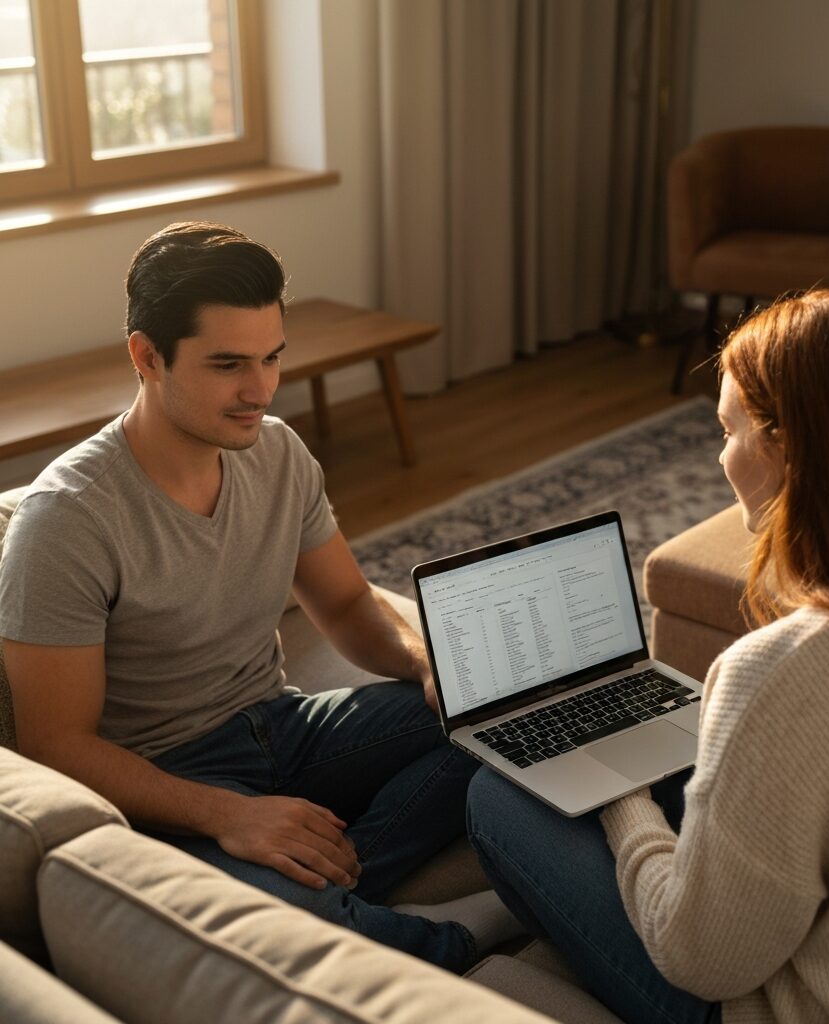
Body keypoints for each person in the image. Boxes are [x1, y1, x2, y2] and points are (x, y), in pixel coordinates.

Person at [466, 289, 829, 1023]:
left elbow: (702, 961)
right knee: (687, 771)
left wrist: (619, 793)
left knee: (497, 797)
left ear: (785, 447)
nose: (721, 454)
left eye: (729, 429)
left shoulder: (780, 670)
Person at [0, 221, 521, 973]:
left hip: (283, 724)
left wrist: (425, 666)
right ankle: (458, 931)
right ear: (147, 357)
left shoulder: (277, 453)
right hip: (166, 777)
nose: (262, 390)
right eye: (228, 365)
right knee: (267, 931)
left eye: (273, 357)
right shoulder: (68, 521)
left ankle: (333, 884)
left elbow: (345, 608)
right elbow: (59, 747)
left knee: (502, 716)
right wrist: (230, 817)